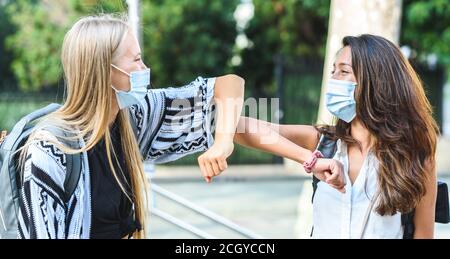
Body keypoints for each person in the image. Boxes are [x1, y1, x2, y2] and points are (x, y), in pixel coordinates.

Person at [17, 14, 244, 239]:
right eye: (136, 60)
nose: (145, 68)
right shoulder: (50, 150)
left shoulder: (132, 116)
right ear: (105, 69)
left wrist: (223, 143)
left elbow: (228, 86)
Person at [234, 34, 439, 239]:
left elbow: (423, 235)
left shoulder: (416, 156)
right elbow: (237, 127)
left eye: (343, 71)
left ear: (376, 81)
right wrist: (309, 159)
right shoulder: (323, 143)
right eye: (333, 71)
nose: (333, 80)